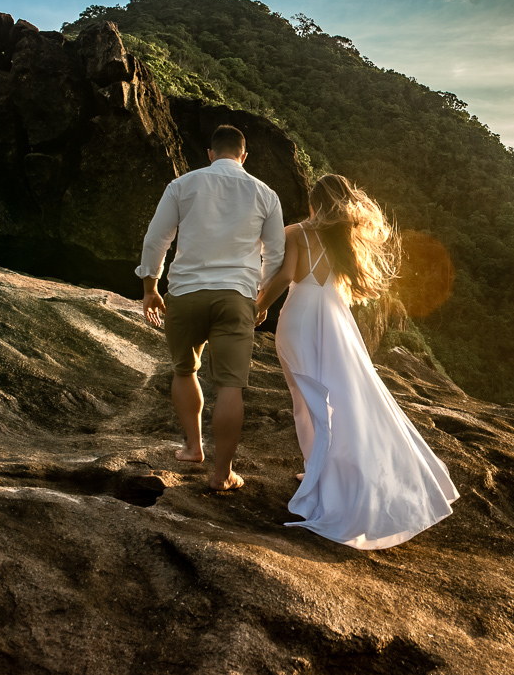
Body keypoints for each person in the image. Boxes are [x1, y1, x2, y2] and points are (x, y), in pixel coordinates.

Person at [255, 174, 458, 548]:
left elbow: (285, 275)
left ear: (314, 203)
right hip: (335, 318)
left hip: (299, 317)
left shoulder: (295, 232)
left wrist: (261, 306)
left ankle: (315, 474)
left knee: (304, 399)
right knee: (344, 395)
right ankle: (330, 472)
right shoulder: (344, 241)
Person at [137, 125, 285, 491]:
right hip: (236, 297)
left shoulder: (182, 186)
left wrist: (150, 287)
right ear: (244, 155)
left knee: (184, 371)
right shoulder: (265, 194)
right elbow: (277, 256)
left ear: (209, 153)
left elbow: (157, 239)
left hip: (185, 293)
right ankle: (222, 475)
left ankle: (192, 447)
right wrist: (260, 298)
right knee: (230, 387)